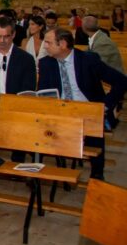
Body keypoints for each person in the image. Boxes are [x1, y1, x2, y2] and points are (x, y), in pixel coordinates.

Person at [38, 28, 127, 180]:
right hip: (60, 112)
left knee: (93, 123)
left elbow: (121, 81)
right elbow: (43, 92)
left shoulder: (88, 60)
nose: (45, 46)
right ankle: (38, 170)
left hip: (87, 111)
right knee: (37, 127)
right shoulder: (46, 63)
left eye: (48, 42)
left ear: (63, 44)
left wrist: (105, 105)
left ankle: (97, 174)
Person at [0, 16, 36, 94]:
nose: (2, 40)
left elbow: (27, 90)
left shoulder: (26, 59)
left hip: (15, 101)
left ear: (13, 34)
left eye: (6, 36)